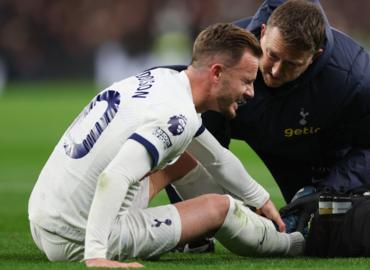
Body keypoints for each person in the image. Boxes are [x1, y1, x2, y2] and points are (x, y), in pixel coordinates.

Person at [28, 23, 304, 268]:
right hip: (76, 237)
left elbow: (216, 157)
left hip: (44, 218)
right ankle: (293, 241)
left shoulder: (164, 81)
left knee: (184, 159)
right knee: (221, 207)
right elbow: (114, 176)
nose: (250, 92)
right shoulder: (177, 116)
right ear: (217, 73)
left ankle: (201, 235)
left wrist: (259, 198)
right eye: (246, 81)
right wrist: (97, 255)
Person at [161, 0, 370, 207]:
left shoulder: (354, 77)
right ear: (263, 32)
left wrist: (330, 188)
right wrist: (202, 207)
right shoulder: (225, 54)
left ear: (314, 56)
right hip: (235, 120)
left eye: (292, 64)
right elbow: (184, 124)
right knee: (188, 133)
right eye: (272, 56)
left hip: (308, 144)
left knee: (313, 217)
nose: (275, 71)